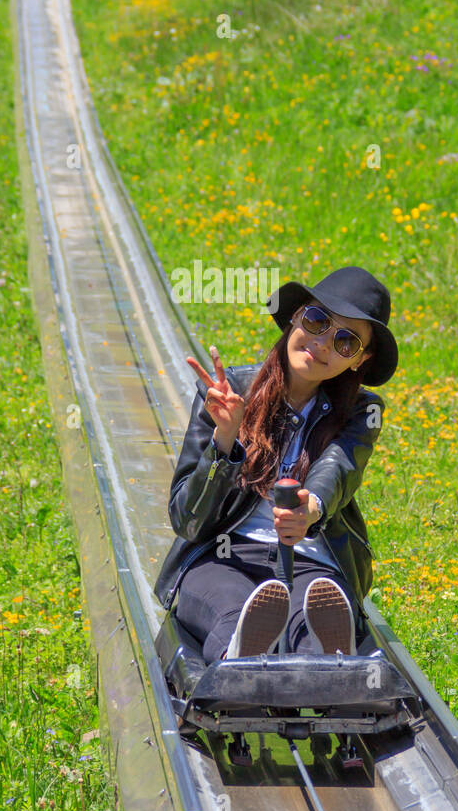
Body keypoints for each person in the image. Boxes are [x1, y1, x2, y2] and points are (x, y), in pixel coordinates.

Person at [154, 266, 399, 663]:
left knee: (314, 614)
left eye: (345, 341)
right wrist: (225, 441)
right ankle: (242, 655)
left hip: (312, 561)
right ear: (296, 317)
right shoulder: (229, 393)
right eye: (317, 320)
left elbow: (339, 467)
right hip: (224, 556)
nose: (322, 343)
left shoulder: (362, 411)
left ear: (360, 360)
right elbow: (188, 520)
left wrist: (310, 509)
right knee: (234, 613)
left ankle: (324, 661)